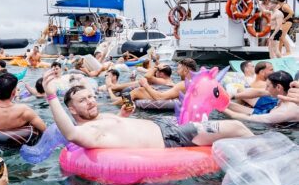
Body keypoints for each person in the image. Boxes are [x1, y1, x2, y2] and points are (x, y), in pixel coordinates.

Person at [42, 68, 252, 149]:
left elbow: (116, 129)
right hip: (172, 136)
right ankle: (272, 157)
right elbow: (70, 133)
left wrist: (123, 115)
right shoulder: (86, 131)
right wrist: (51, 95)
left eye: (90, 97)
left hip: (168, 125)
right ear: (72, 110)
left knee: (230, 129)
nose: (90, 101)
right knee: (236, 127)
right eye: (82, 101)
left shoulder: (99, 118)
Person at [224, 71, 299, 123]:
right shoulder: (284, 93)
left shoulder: (283, 112)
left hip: (275, 123)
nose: (266, 88)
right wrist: (233, 96)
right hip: (271, 113)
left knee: (231, 108)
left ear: (278, 87)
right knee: (232, 99)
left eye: (268, 86)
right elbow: (259, 92)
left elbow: (244, 117)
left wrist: (220, 107)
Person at [130, 58, 197, 102]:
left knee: (136, 92)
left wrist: (145, 85)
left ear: (186, 70)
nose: (177, 71)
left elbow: (160, 98)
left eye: (179, 69)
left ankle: (124, 108)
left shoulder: (183, 84)